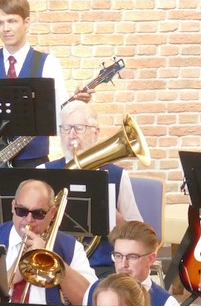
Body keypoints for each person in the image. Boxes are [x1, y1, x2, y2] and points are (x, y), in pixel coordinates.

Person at [0, 0, 84, 174]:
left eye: (12, 21)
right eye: (0, 23)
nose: (6, 28)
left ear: (26, 22)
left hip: (34, 162)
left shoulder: (48, 63)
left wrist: (77, 105)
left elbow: (61, 114)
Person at [40, 103, 143, 274]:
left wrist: (117, 219)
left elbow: (138, 233)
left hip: (101, 266)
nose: (71, 135)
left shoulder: (117, 175)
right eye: (65, 128)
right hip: (54, 260)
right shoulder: (43, 171)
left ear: (96, 132)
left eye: (79, 128)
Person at [85, 220, 182, 306]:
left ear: (151, 259)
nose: (123, 264)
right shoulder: (94, 289)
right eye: (118, 256)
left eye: (132, 257)